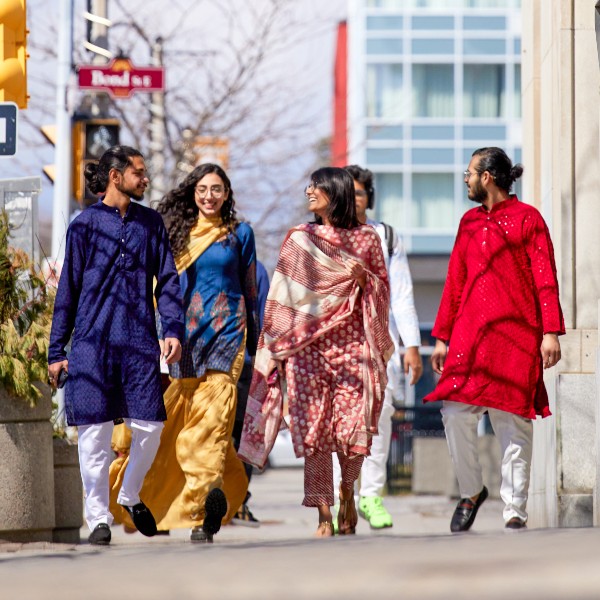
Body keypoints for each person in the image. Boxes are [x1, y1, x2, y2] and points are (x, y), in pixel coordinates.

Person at [239, 167, 394, 537]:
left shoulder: (367, 239)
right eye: (309, 185)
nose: (309, 191)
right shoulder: (299, 239)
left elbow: (382, 291)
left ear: (335, 192)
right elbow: (283, 294)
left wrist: (363, 279)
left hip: (353, 346)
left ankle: (348, 490)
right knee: (315, 433)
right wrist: (274, 343)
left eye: (317, 186)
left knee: (353, 429)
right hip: (307, 350)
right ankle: (324, 511)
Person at [109, 163, 259, 543]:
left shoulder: (240, 234)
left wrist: (259, 340)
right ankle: (160, 499)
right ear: (193, 193)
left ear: (227, 194)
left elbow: (251, 287)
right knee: (182, 422)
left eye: (217, 189)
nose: (209, 196)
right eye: (203, 189)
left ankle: (201, 512)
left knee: (212, 419)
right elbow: (159, 288)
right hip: (183, 336)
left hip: (229, 332)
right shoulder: (175, 233)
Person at [48, 145, 184, 546]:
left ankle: (129, 493)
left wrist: (172, 328)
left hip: (139, 341)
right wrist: (58, 351)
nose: (145, 179)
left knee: (151, 425)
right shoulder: (85, 225)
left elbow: (169, 280)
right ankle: (99, 518)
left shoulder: (150, 224)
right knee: (93, 437)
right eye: (139, 173)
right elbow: (67, 291)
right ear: (115, 176)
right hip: (91, 344)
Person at [424, 147, 565, 532]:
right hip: (470, 339)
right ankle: (471, 492)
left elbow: (545, 278)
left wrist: (550, 331)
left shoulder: (528, 220)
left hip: (517, 339)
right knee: (454, 414)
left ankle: (514, 511)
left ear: (487, 176)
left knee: (513, 424)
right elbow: (455, 281)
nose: (466, 180)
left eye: (469, 173)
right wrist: (441, 337)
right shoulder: (468, 222)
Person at [329, 164, 422, 531]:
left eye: (360, 193)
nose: (354, 200)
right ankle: (342, 498)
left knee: (379, 419)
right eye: (348, 194)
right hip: (338, 345)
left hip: (380, 344)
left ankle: (371, 495)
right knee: (339, 424)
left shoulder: (386, 236)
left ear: (370, 198)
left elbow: (402, 294)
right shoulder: (326, 234)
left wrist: (411, 344)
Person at [231, 259, 270, 526]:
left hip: (247, 363)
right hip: (209, 363)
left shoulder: (257, 270)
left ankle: (238, 501)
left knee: (244, 437)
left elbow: (265, 316)